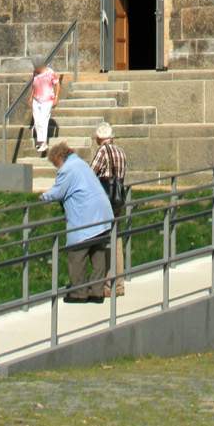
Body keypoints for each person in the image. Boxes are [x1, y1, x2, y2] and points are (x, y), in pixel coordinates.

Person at [39, 142, 114, 302]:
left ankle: (78, 293)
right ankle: (96, 292)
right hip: (103, 214)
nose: (56, 168)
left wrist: (44, 196)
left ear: (59, 157)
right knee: (98, 253)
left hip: (86, 217)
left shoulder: (68, 169)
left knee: (76, 255)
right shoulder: (81, 163)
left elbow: (58, 192)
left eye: (55, 164)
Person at [90, 122, 128, 296]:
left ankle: (106, 285)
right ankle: (119, 285)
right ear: (112, 137)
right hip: (118, 200)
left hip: (104, 201)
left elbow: (91, 174)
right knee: (117, 239)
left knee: (104, 241)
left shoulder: (102, 151)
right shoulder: (121, 152)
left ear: (99, 138)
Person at [29, 58, 61, 155]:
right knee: (37, 121)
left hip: (47, 100)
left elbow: (57, 85)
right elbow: (34, 85)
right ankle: (40, 141)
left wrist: (56, 97)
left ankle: (43, 142)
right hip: (36, 100)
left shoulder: (50, 72)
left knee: (43, 120)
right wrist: (30, 97)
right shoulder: (35, 73)